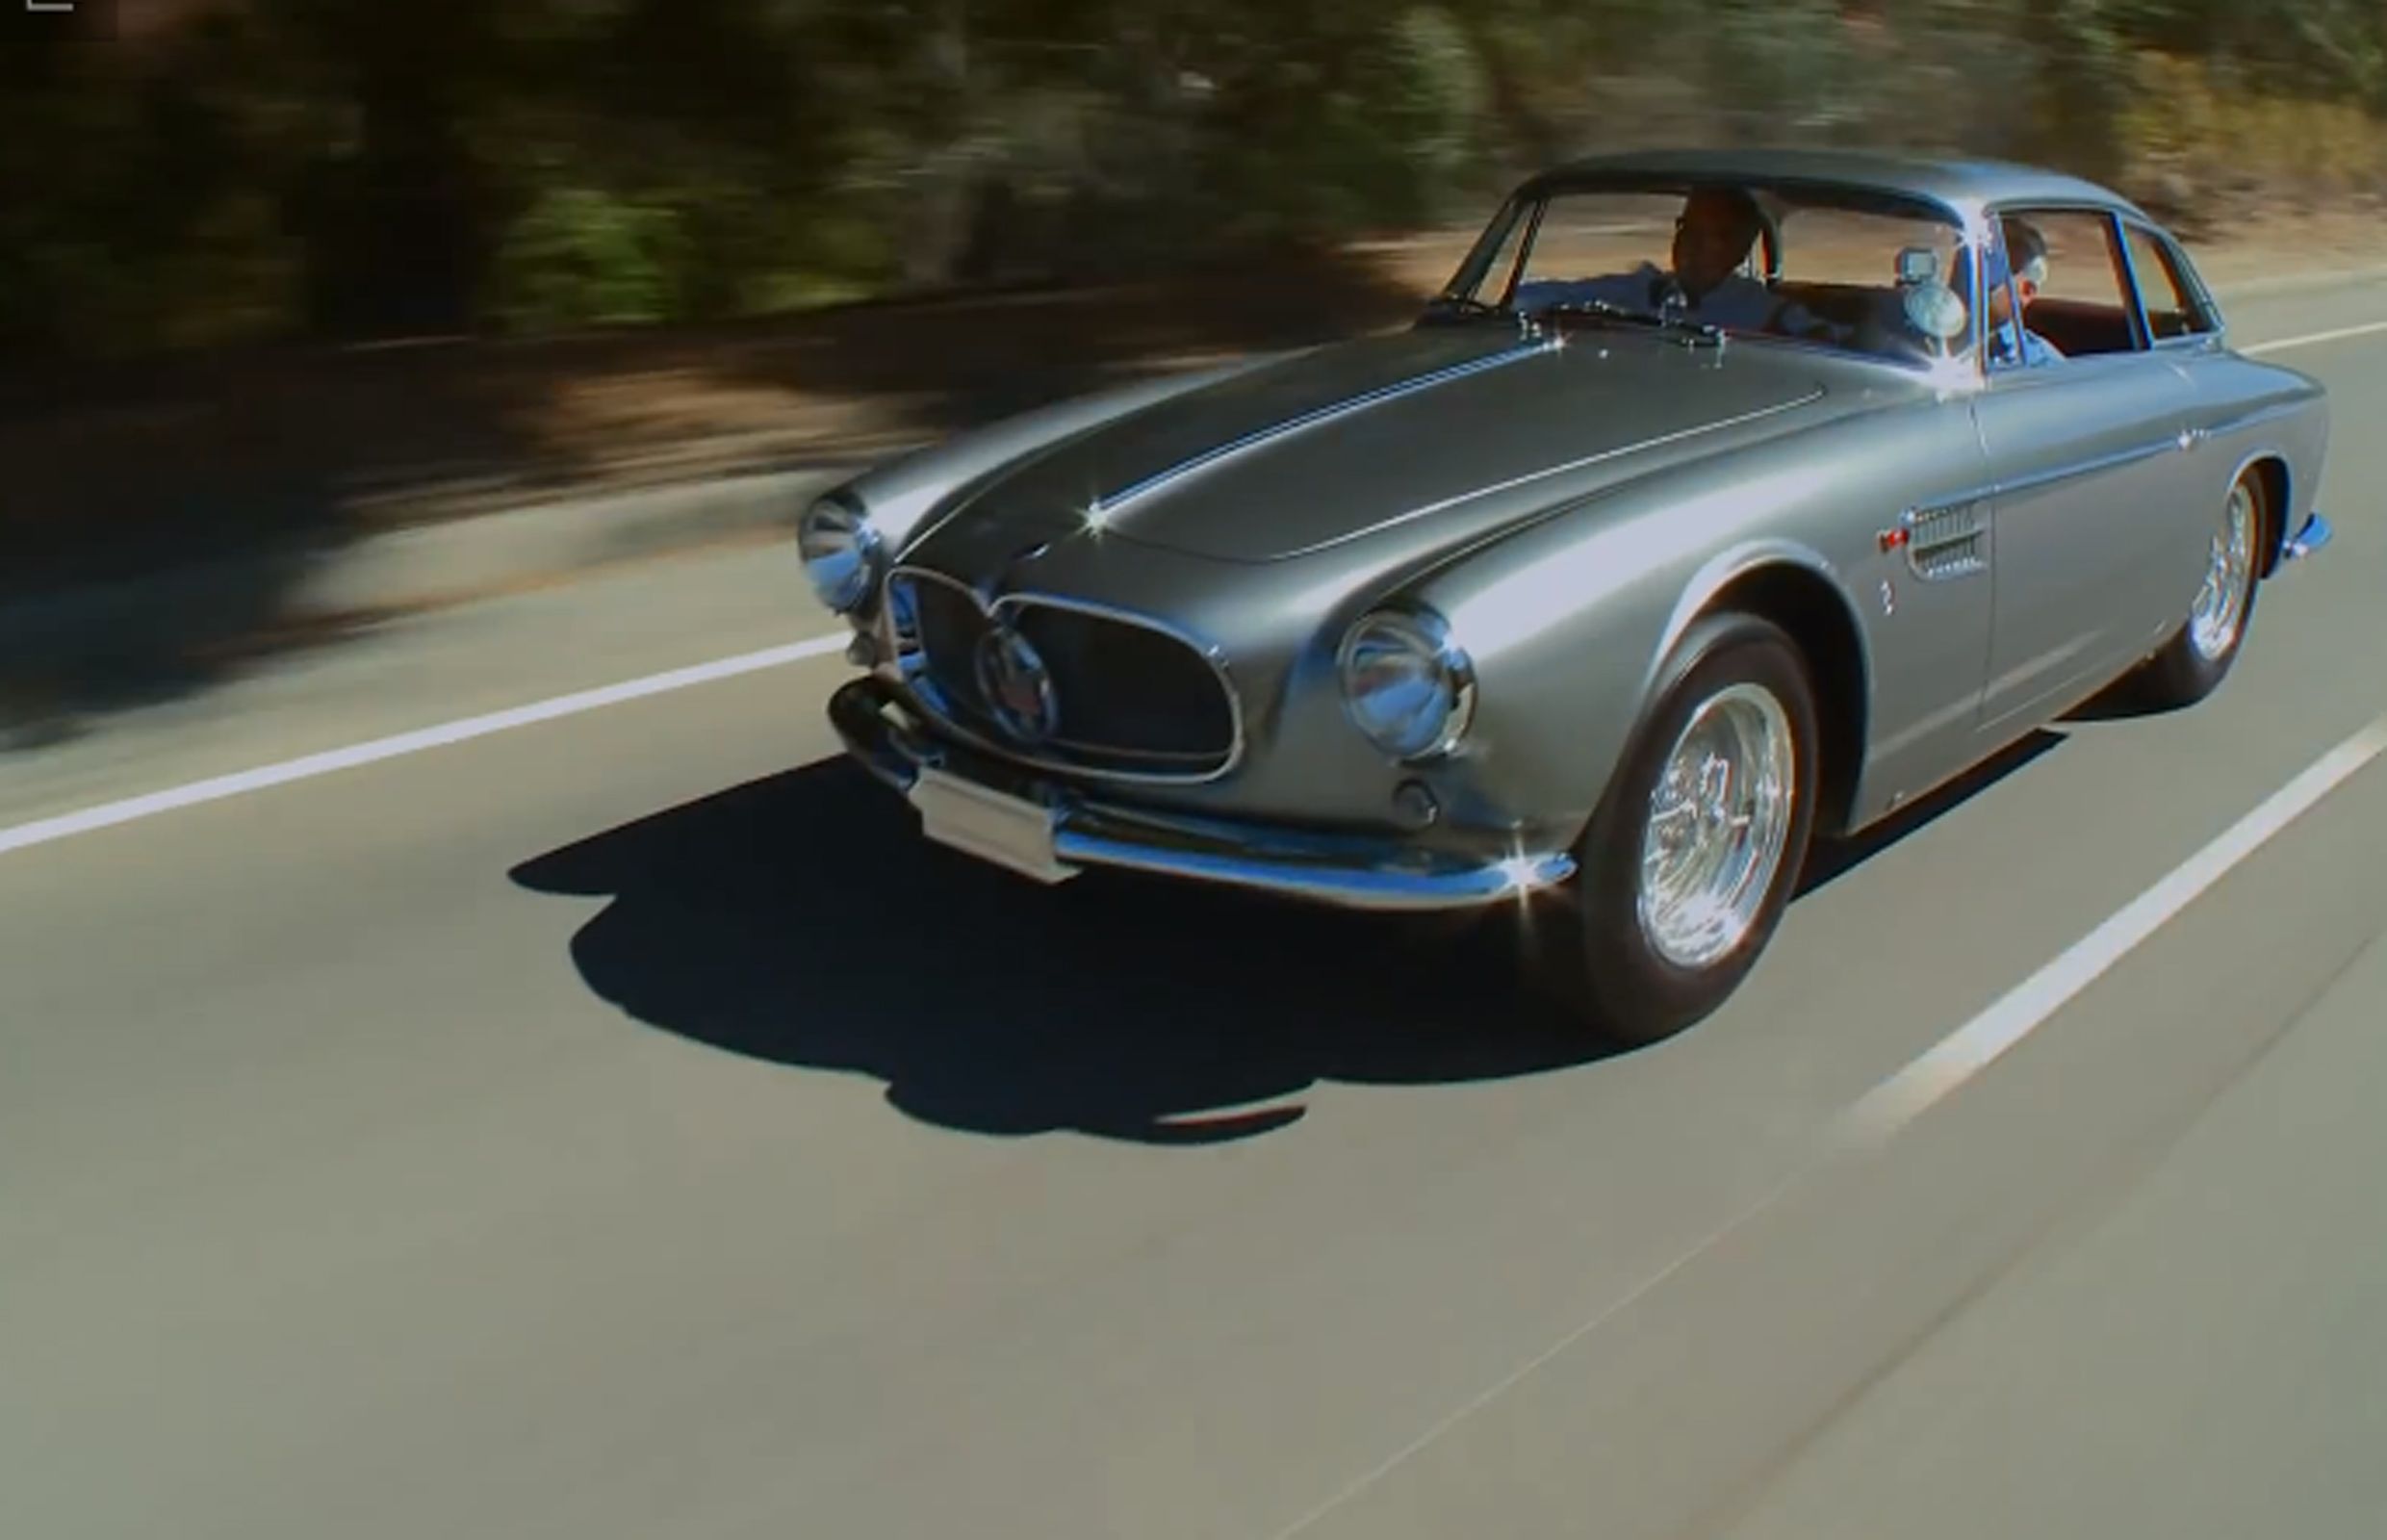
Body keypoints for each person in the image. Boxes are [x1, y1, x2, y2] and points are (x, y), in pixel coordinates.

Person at [1516, 186, 1809, 334]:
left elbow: (1838, 341)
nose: (1691, 246)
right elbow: (1532, 296)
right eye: (1687, 229)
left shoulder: (1767, 311)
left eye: (1712, 237)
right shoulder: (1642, 289)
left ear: (1739, 250)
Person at [1981, 217, 2063, 366]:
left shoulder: (2041, 364)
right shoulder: (1930, 340)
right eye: (1963, 267)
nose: (1963, 286)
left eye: (1988, 277)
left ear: (2026, 291)